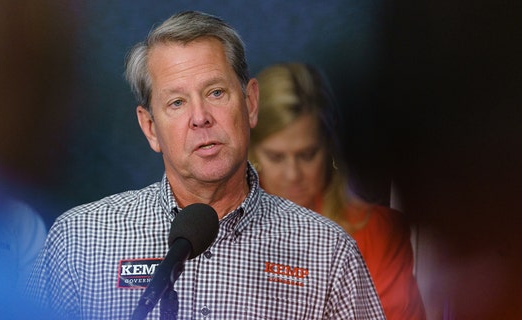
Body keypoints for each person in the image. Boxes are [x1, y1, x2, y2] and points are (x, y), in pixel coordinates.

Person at [26, 11, 385, 319]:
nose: (200, 117)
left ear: (251, 103)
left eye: (215, 93)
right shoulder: (79, 241)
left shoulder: (326, 251)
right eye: (177, 102)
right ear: (150, 128)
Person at [249, 62, 425, 319]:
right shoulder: (219, 228)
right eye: (276, 157)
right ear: (253, 151)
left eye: (307, 155)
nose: (292, 174)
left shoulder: (377, 234)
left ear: (329, 144)